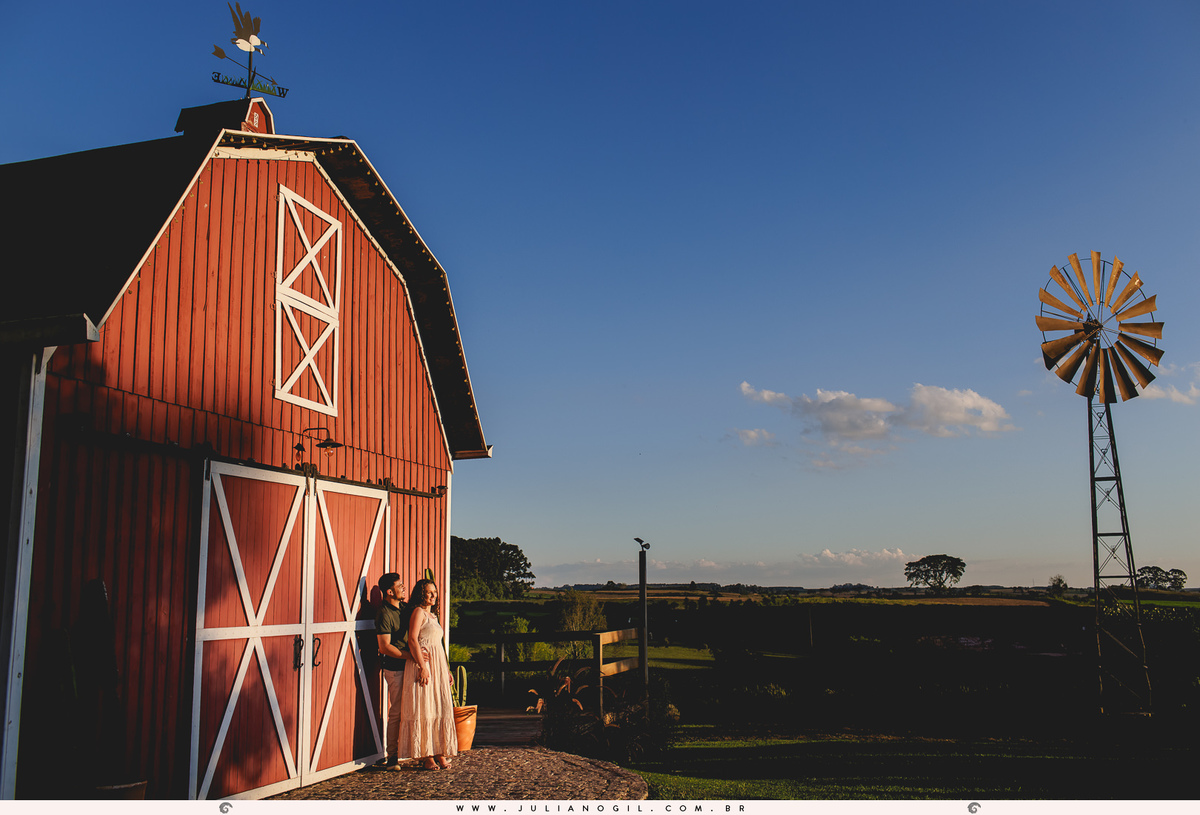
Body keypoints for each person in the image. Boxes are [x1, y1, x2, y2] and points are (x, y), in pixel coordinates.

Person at [398, 578, 458, 769]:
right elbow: (413, 640)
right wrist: (423, 666)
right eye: (429, 592)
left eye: (435, 592)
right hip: (423, 665)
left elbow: (438, 645)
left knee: (438, 706)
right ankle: (426, 755)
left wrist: (446, 670)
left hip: (438, 666)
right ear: (421, 594)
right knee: (424, 706)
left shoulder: (433, 616)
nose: (433, 596)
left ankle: (439, 752)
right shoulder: (418, 612)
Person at [374, 572, 410, 769]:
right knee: (396, 711)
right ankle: (393, 757)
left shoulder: (404, 608)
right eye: (400, 585)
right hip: (395, 669)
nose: (404, 588)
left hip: (410, 667)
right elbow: (385, 647)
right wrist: (410, 656)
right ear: (389, 591)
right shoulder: (384, 613)